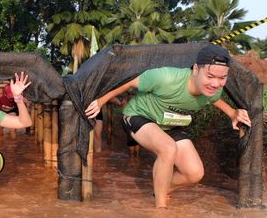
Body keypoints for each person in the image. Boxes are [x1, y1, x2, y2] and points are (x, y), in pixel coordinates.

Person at [85, 45, 251, 208]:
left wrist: (232, 113)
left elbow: (214, 99)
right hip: (138, 116)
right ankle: (161, 210)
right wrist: (100, 101)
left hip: (169, 125)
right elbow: (128, 82)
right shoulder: (166, 78)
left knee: (194, 173)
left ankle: (160, 189)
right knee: (168, 148)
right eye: (210, 76)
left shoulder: (214, 90)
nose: (215, 84)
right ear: (195, 69)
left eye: (222, 78)